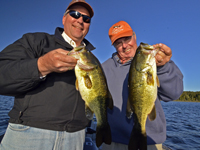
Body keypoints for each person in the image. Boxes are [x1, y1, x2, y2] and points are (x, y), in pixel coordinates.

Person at [0, 0, 95, 149]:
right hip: (29, 134)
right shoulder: (36, 41)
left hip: (76, 137)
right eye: (75, 14)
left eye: (86, 18)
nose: (80, 20)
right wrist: (41, 65)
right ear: (64, 18)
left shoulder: (93, 60)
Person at [101, 21, 183, 150]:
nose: (124, 46)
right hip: (112, 141)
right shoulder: (104, 68)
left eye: (127, 39)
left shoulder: (155, 62)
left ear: (134, 36)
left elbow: (174, 93)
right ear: (114, 46)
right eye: (118, 43)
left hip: (149, 141)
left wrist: (162, 67)